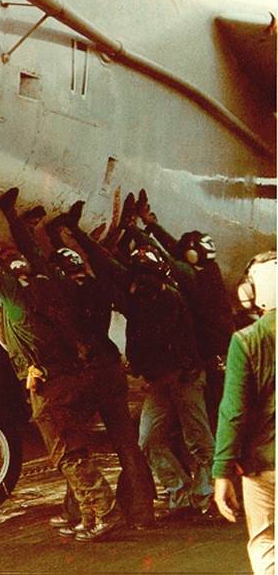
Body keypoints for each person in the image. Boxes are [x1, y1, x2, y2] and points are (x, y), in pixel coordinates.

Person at [0, 189, 123, 542]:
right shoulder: (52, 285)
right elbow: (35, 253)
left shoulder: (14, 297)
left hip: (49, 388)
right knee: (74, 449)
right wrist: (11, 216)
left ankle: (106, 511)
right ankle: (88, 516)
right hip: (70, 379)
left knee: (68, 455)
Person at [59, 200, 215, 517]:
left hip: (183, 378)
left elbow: (109, 268)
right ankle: (182, 493)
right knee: (149, 440)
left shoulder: (166, 300)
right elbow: (105, 264)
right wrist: (78, 232)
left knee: (199, 441)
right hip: (161, 381)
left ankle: (207, 495)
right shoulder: (144, 294)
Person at [135, 190, 235, 430]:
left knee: (213, 413)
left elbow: (168, 258)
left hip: (213, 360)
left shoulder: (194, 278)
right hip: (221, 356)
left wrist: (135, 231)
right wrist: (152, 225)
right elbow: (176, 251)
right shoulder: (209, 270)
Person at [213, 252, 276, 575]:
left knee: (266, 543)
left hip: (264, 465)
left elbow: (233, 412)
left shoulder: (246, 340)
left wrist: (222, 471)